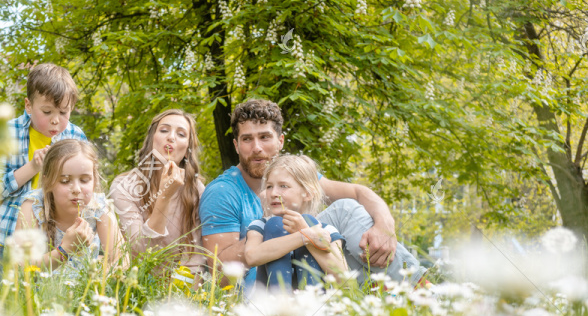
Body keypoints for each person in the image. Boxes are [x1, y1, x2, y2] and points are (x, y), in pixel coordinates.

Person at [200, 98, 426, 289]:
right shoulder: (223, 192)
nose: (256, 147)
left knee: (346, 209)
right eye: (247, 139)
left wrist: (385, 227)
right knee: (280, 225)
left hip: (313, 271)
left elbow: (359, 193)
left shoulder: (294, 176)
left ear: (280, 141)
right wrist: (274, 227)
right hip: (264, 287)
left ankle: (420, 289)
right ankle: (402, 293)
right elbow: (219, 275)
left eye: (265, 137)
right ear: (236, 145)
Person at [0, 63, 87, 257]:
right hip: (7, 238)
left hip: (58, 241)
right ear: (28, 105)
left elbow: (85, 186)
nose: (56, 120)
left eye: (64, 112)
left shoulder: (75, 136)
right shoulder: (7, 133)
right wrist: (33, 167)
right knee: (5, 286)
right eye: (47, 112)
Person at [109, 109, 206, 277]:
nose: (171, 137)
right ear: (151, 139)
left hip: (181, 287)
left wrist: (182, 295)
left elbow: (195, 258)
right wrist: (164, 197)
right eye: (164, 130)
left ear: (188, 148)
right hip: (135, 282)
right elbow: (140, 250)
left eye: (181, 134)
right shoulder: (124, 186)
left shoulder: (197, 190)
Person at [13, 139, 128, 274]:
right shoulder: (34, 206)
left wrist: (95, 278)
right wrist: (65, 250)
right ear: (47, 181)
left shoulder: (98, 207)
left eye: (84, 180)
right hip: (40, 291)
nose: (77, 189)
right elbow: (19, 266)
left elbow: (122, 261)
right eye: (65, 181)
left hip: (85, 290)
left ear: (94, 180)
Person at [245, 155, 347, 290]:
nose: (274, 193)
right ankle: (281, 301)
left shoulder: (325, 230)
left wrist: (307, 230)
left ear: (308, 193)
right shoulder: (260, 225)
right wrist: (306, 235)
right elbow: (252, 257)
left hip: (314, 304)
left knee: (310, 221)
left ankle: (311, 299)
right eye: (269, 186)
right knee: (275, 224)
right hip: (269, 304)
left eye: (283, 186)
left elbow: (343, 277)